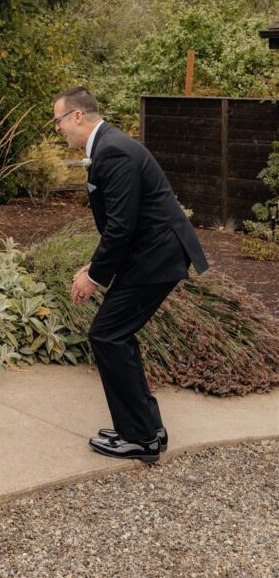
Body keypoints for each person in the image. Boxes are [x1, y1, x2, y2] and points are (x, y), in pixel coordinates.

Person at [53, 86, 208, 464]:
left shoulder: (114, 151)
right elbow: (125, 224)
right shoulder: (109, 147)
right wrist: (95, 266)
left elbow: (121, 226)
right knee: (115, 333)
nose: (57, 130)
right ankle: (146, 429)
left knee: (107, 333)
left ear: (77, 116)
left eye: (57, 120)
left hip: (157, 257)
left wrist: (94, 277)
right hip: (151, 254)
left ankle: (139, 437)